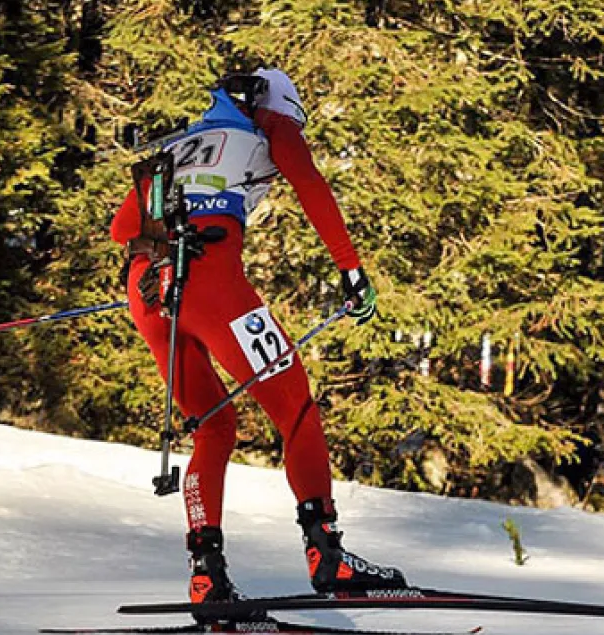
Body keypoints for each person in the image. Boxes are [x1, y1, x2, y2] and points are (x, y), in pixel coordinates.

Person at [108, 68, 407, 604]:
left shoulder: (179, 141)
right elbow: (309, 181)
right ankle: (328, 554)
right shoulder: (268, 124)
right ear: (276, 106)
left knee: (215, 427)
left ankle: (207, 574)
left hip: (149, 291)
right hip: (212, 282)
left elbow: (122, 228)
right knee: (295, 407)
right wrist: (350, 269)